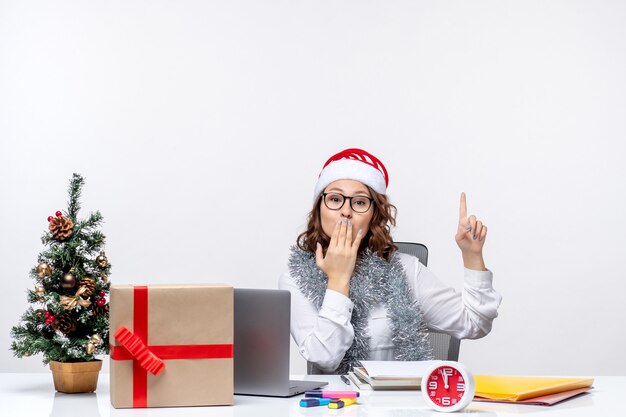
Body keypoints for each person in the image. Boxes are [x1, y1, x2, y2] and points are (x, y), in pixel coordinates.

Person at [279, 148, 502, 374]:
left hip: (401, 405)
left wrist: (472, 255)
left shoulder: (405, 269)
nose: (345, 211)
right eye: (335, 199)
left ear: (374, 215)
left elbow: (475, 323)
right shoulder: (296, 278)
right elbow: (325, 358)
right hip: (334, 406)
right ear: (319, 209)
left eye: (359, 202)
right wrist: (338, 279)